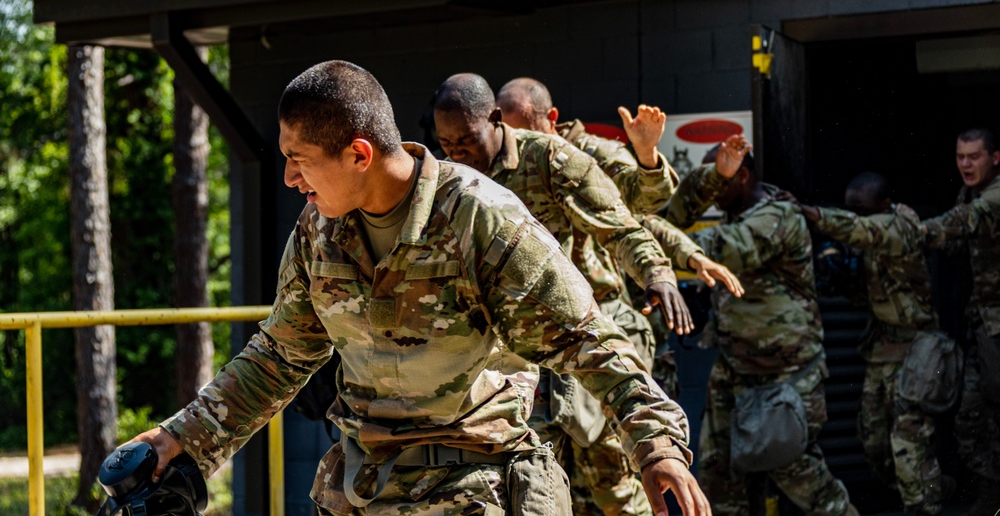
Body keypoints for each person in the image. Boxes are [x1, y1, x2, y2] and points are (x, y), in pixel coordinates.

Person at [126, 61, 711, 516]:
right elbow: (280, 357)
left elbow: (589, 342)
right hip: (364, 490)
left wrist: (657, 449)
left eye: (298, 159)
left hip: (474, 487)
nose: (288, 177)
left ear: (358, 153)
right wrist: (182, 438)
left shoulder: (481, 220)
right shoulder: (320, 230)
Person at [432, 73, 735, 516]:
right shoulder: (452, 178)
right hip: (514, 358)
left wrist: (660, 271)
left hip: (580, 339)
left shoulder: (551, 158)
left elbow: (624, 219)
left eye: (466, 140)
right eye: (447, 143)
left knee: (613, 486)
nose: (457, 153)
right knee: (537, 488)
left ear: (495, 120)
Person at [657, 135, 856, 516]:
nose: (714, 188)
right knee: (721, 479)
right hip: (735, 372)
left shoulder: (776, 216)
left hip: (784, 376)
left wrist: (642, 231)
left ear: (742, 176)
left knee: (804, 481)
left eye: (720, 178)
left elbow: (717, 248)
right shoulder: (740, 212)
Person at [786, 173, 949, 516]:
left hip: (917, 351)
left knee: (909, 442)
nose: (857, 217)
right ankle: (929, 488)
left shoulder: (900, 228)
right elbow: (865, 295)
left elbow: (862, 230)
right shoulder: (869, 243)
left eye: (862, 210)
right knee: (874, 442)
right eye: (851, 210)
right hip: (883, 350)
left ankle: (926, 505)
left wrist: (813, 214)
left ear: (884, 205)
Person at [922, 127, 1000, 515]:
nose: (966, 165)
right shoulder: (968, 193)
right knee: (971, 412)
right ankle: (990, 493)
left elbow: (958, 223)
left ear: (995, 158)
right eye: (960, 157)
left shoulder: (993, 197)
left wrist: (907, 230)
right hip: (982, 327)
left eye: (975, 157)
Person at [495, 77, 678, 215]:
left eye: (528, 132)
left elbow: (645, 201)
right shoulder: (502, 164)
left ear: (552, 117)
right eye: (510, 134)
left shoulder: (594, 153)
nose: (520, 141)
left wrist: (646, 153)